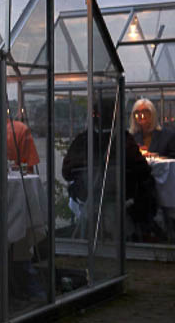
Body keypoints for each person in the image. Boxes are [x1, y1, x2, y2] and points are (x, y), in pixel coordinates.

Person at [62, 96, 159, 241]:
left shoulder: (82, 140)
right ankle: (144, 228)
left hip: (86, 195)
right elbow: (144, 170)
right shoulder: (125, 140)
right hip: (122, 195)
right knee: (149, 185)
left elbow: (66, 173)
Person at [130, 98, 175, 164]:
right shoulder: (131, 137)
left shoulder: (169, 136)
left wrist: (156, 158)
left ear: (153, 114)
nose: (141, 115)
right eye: (137, 112)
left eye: (145, 112)